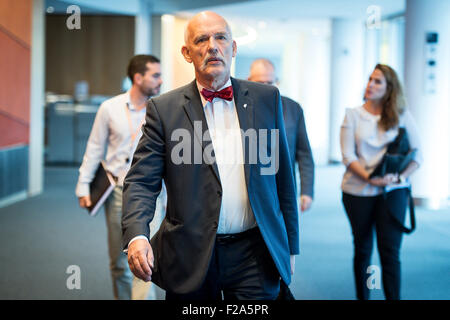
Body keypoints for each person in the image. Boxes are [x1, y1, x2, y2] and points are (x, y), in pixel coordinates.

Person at [122, 11, 299, 300]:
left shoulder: (267, 99)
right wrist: (137, 234)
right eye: (201, 39)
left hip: (254, 252)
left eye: (221, 37)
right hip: (190, 252)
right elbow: (142, 181)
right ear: (187, 53)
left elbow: (282, 179)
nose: (213, 46)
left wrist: (290, 244)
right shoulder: (163, 110)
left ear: (234, 47)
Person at [75, 54, 164, 300]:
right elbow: (94, 148)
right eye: (155, 75)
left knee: (145, 258)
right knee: (118, 260)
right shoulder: (110, 108)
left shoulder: (163, 109)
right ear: (138, 78)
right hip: (116, 191)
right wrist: (83, 186)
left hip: (151, 193)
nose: (161, 80)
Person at [340, 64, 422, 300]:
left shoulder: (402, 115)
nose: (371, 85)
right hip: (358, 191)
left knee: (390, 252)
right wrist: (370, 179)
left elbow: (418, 155)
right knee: (363, 249)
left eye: (378, 81)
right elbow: (348, 156)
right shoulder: (353, 114)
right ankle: (364, 297)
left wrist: (400, 178)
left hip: (393, 192)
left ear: (389, 89)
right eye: (370, 79)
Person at [248, 58, 314, 212]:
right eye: (259, 83)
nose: (265, 88)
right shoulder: (238, 108)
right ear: (249, 81)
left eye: (269, 83)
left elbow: (304, 153)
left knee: (286, 233)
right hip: (250, 188)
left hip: (283, 187)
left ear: (276, 82)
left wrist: (307, 191)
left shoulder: (293, 109)